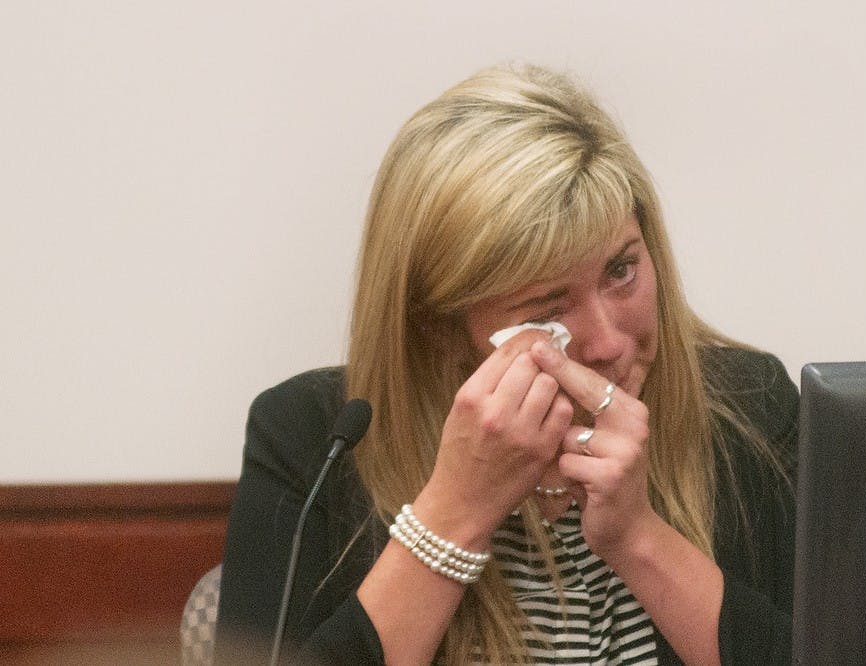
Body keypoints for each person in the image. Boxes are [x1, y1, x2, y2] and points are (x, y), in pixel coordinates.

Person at [215, 63, 798, 665]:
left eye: (620, 270)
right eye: (549, 306)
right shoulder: (314, 440)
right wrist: (453, 515)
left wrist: (637, 538)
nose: (607, 343)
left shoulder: (750, 411)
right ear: (438, 327)